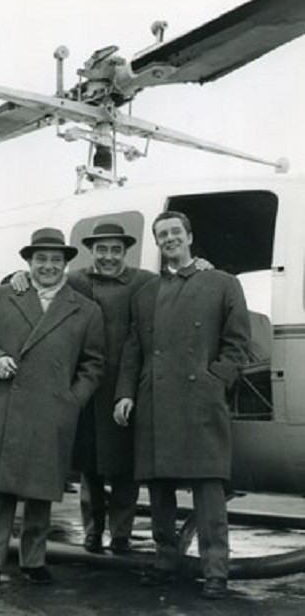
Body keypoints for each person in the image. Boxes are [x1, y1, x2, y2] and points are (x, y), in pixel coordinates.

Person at [9, 219, 211, 555]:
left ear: (126, 253)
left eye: (116, 250)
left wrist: (201, 267)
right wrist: (17, 277)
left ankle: (121, 534)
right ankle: (92, 531)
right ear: (91, 252)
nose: (108, 257)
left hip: (125, 387)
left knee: (125, 468)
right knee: (88, 466)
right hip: (86, 384)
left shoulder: (144, 281)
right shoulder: (74, 281)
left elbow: (181, 282)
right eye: (101, 250)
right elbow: (40, 282)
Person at [114, 210, 250, 599]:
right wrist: (125, 393)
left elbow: (238, 343)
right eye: (162, 235)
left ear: (189, 236)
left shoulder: (223, 284)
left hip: (200, 401)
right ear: (156, 243)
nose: (169, 239)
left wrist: (215, 381)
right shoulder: (145, 294)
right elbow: (133, 349)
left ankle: (216, 572)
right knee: (159, 491)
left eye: (176, 232)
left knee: (209, 491)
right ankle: (165, 561)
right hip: (154, 400)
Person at [0, 227, 104, 588]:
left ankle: (34, 560)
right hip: (7, 405)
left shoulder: (85, 310)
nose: (48, 266)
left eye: (56, 260)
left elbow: (94, 364)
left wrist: (72, 400)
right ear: (28, 262)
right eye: (41, 259)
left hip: (53, 409)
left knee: (41, 489)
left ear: (66, 265)